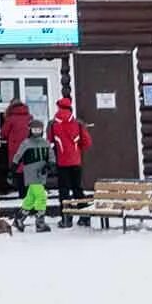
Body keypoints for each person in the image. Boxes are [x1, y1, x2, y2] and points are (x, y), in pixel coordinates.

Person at [48, 96, 93, 228]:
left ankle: (66, 219)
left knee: (64, 191)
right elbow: (87, 143)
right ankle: (84, 216)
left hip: (61, 162)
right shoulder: (78, 123)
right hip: (75, 162)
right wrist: (77, 151)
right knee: (78, 189)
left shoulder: (52, 124)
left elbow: (50, 141)